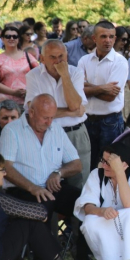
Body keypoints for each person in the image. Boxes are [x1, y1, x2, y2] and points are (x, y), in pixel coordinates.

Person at [74, 142, 130, 260]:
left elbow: (129, 204)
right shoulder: (96, 174)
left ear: (124, 164)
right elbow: (87, 206)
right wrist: (102, 211)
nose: (104, 165)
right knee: (89, 221)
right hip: (107, 222)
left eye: (109, 162)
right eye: (103, 160)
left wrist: (119, 172)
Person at [0, 153, 78, 260]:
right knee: (30, 222)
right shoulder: (1, 199)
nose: (5, 173)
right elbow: (40, 213)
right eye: (2, 170)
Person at [25, 40, 91, 189]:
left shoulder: (76, 73)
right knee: (50, 181)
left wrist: (65, 76)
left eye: (61, 56)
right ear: (42, 59)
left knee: (80, 183)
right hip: (48, 134)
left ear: (67, 56)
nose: (58, 61)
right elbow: (35, 112)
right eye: (53, 57)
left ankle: (77, 213)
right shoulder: (33, 76)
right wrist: (69, 112)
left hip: (76, 133)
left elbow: (75, 104)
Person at [78, 21, 129, 171]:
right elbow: (78, 90)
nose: (108, 40)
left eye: (111, 37)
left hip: (110, 121)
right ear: (94, 38)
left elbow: (110, 97)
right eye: (103, 36)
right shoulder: (84, 60)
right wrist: (102, 88)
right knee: (87, 164)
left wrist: (87, 87)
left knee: (108, 166)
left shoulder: (120, 62)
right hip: (87, 120)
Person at [0, 26, 39, 106]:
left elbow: (39, 75)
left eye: (15, 36)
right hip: (6, 104)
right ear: (2, 39)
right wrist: (13, 92)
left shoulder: (28, 56)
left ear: (19, 39)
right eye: (8, 36)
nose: (11, 38)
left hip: (28, 102)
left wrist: (29, 90)